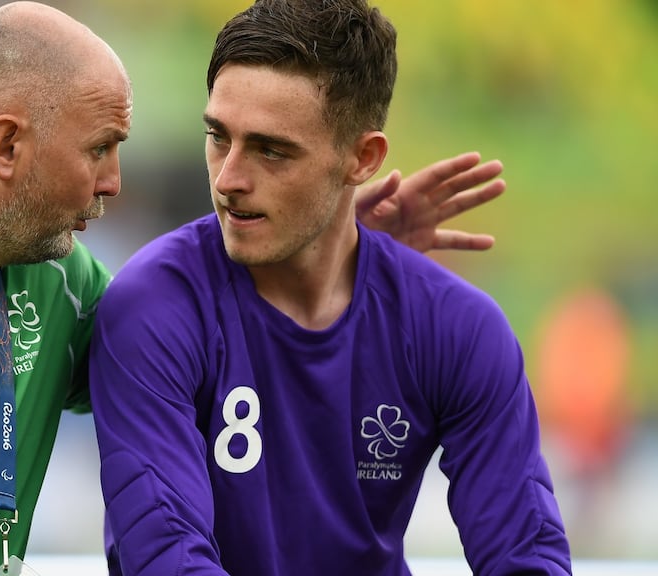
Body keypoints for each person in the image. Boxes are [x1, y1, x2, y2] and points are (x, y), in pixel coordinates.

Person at [0, 1, 509, 575]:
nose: (114, 184)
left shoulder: (54, 279)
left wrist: (329, 235)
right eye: (100, 149)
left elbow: (210, 329)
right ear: (7, 148)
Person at [88, 1, 572, 575]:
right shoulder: (152, 308)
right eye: (219, 137)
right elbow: (165, 558)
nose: (228, 180)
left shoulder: (456, 327)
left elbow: (527, 557)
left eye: (272, 150)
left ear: (361, 158)